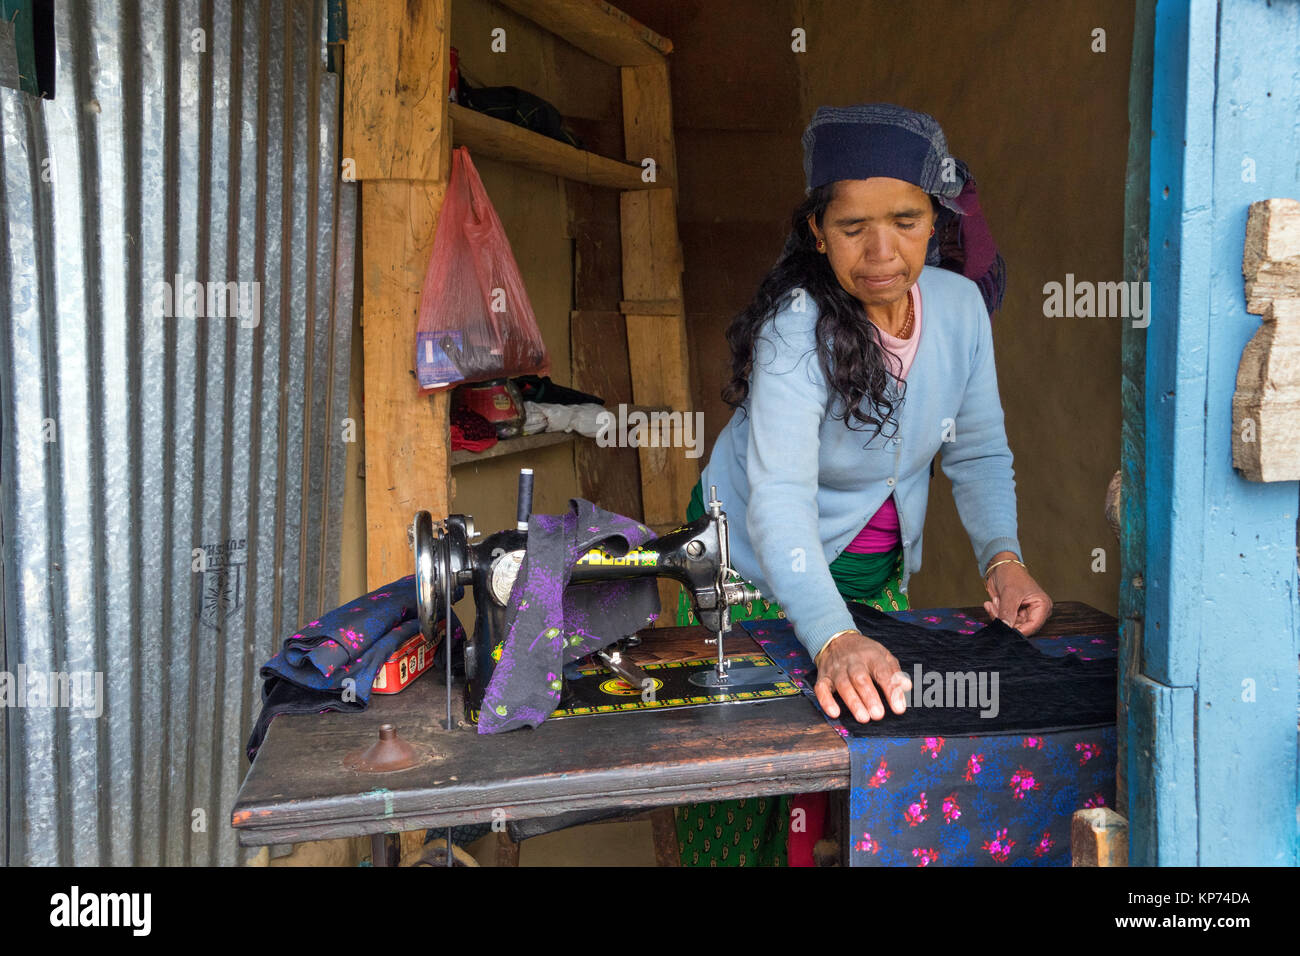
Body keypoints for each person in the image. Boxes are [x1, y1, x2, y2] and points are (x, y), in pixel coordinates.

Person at [674, 103, 1052, 866]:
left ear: (935, 220)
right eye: (852, 228)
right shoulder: (796, 327)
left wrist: (1002, 559)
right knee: (747, 773)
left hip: (873, 566)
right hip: (750, 555)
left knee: (863, 763)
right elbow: (779, 496)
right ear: (817, 231)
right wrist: (836, 634)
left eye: (907, 221)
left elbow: (976, 451)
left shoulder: (959, 309)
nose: (882, 252)